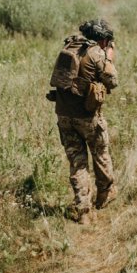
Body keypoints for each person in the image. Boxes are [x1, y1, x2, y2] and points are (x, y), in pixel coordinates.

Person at [51, 18, 118, 224]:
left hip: (63, 114)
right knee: (100, 154)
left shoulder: (69, 46)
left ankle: (84, 212)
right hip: (87, 117)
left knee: (77, 162)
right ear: (103, 39)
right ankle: (104, 195)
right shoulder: (96, 52)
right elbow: (112, 82)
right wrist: (108, 59)